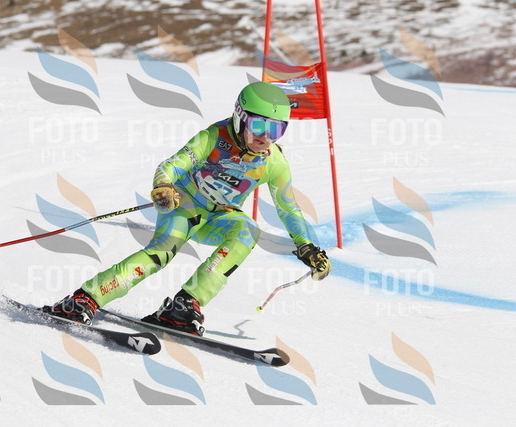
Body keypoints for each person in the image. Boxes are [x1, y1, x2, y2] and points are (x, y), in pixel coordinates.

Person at [44, 82, 331, 336]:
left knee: (248, 229)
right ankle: (85, 298)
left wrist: (306, 245)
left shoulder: (274, 162)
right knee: (161, 253)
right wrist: (163, 186)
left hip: (220, 216)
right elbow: (171, 165)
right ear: (240, 118)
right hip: (184, 205)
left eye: (276, 130)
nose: (265, 137)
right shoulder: (214, 137)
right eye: (259, 126)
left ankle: (185, 305)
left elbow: (288, 208)